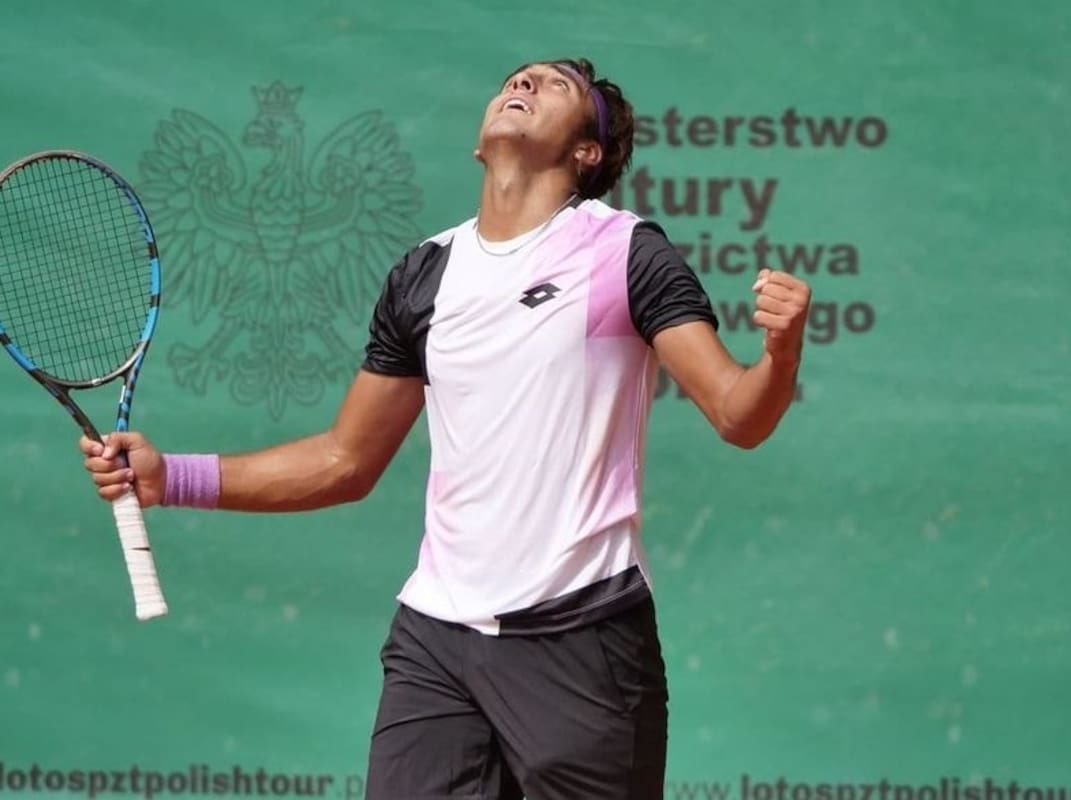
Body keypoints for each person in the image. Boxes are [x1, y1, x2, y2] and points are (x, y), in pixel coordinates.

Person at [80, 58, 811, 800]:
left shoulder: (624, 253)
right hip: (435, 644)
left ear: (588, 151)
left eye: (552, 85)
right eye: (515, 79)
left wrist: (779, 355)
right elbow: (345, 459)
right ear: (478, 143)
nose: (521, 86)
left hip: (583, 642)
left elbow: (737, 414)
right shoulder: (423, 275)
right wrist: (172, 477)